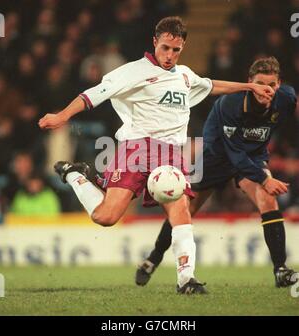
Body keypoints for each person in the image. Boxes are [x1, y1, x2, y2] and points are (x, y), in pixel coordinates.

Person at [39, 17, 274, 295]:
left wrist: (250, 87)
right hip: (136, 149)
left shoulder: (184, 75)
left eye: (176, 50)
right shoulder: (132, 71)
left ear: (182, 46)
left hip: (171, 155)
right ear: (154, 42)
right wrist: (62, 116)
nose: (170, 56)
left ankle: (187, 280)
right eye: (165, 48)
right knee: (105, 216)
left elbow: (210, 85)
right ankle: (76, 175)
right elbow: (93, 94)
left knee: (181, 213)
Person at [135, 56, 299, 289]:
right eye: (260, 84)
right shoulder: (230, 104)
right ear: (249, 82)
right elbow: (235, 155)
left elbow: (286, 126)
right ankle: (154, 258)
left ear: (279, 84)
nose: (266, 90)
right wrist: (264, 177)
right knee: (185, 209)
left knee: (268, 200)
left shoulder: (287, 98)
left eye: (271, 85)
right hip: (216, 157)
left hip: (252, 156)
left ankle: (280, 270)